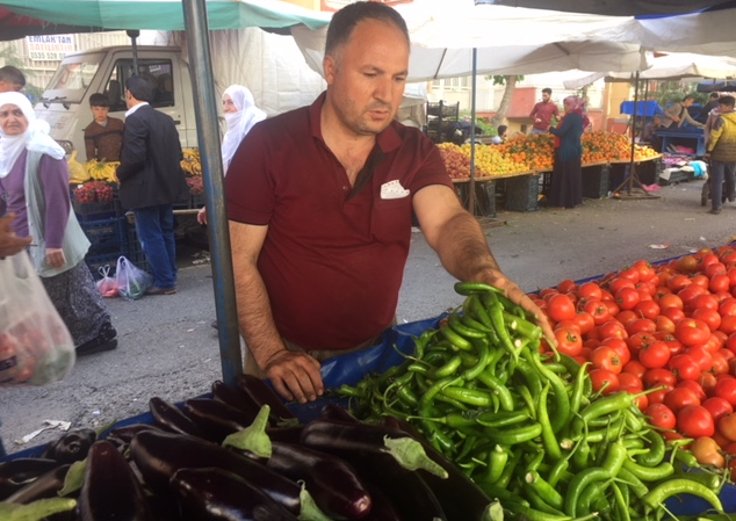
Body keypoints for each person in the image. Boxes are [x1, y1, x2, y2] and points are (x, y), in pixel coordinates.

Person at [225, 1, 555, 404]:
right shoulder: (268, 146)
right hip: (285, 360)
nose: (387, 94)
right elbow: (237, 260)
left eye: (399, 78)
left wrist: (483, 270)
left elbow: (448, 220)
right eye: (371, 74)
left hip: (377, 353)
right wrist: (271, 351)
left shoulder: (414, 150)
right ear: (330, 69)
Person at [0, 91, 117, 355]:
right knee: (40, 294)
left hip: (51, 235)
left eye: (17, 112)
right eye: (4, 114)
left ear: (28, 115)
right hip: (20, 239)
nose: (11, 119)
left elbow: (58, 201)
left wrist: (53, 242)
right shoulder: (4, 152)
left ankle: (99, 333)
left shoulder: (44, 150)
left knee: (72, 291)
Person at [117, 76, 189, 295]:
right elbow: (177, 154)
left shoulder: (134, 120)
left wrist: (120, 173)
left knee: (151, 235)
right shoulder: (164, 119)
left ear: (130, 94)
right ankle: (170, 275)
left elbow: (135, 157)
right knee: (165, 230)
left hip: (145, 189)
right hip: (166, 186)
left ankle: (164, 281)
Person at [196, 84, 266, 226]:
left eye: (231, 102)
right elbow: (225, 171)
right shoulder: (231, 133)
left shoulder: (255, 126)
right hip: (236, 198)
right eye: (223, 102)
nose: (226, 108)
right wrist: (211, 204)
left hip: (253, 200)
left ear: (242, 103)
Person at [548, 96, 585, 209]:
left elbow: (561, 132)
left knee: (563, 175)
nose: (565, 107)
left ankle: (562, 202)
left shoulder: (570, 117)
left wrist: (551, 129)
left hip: (565, 150)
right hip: (575, 149)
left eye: (567, 105)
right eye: (565, 105)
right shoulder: (580, 117)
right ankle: (572, 201)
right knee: (573, 175)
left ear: (573, 105)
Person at [705, 95, 736, 215]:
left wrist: (708, 151)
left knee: (717, 180)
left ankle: (716, 207)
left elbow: (714, 137)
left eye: (721, 105)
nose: (719, 108)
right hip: (734, 154)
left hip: (720, 154)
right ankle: (732, 197)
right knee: (732, 176)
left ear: (729, 106)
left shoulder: (721, 119)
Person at [83, 93, 124, 162]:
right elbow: (90, 155)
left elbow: (128, 143)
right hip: (103, 167)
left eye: (103, 109)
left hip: (122, 163)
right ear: (91, 109)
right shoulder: (89, 130)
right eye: (96, 109)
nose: (100, 112)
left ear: (108, 109)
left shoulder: (118, 123)